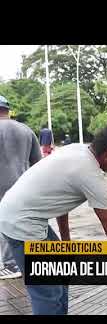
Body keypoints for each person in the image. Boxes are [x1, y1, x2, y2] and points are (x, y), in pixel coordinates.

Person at [0, 123, 107, 315]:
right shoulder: (91, 176)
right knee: (47, 292)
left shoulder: (76, 149)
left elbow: (60, 200)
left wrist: (65, 243)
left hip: (20, 214)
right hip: (22, 225)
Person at [0, 95, 42, 280]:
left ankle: (10, 264)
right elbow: (38, 163)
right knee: (17, 222)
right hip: (23, 184)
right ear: (8, 110)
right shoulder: (25, 129)